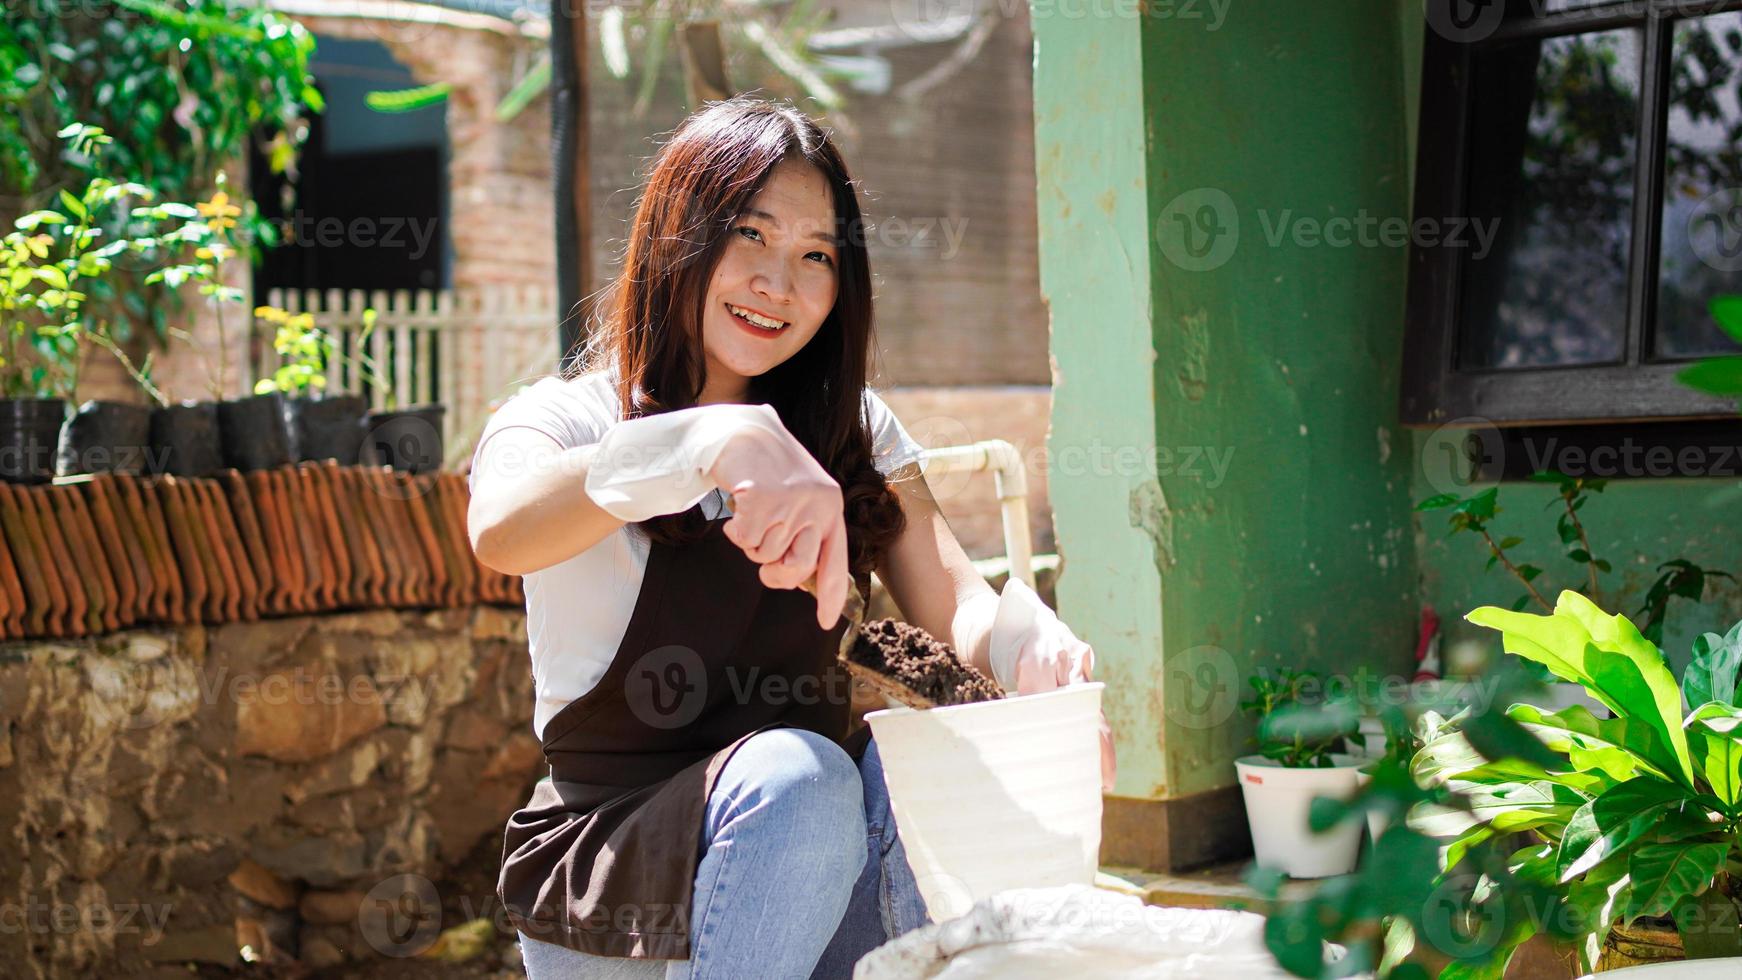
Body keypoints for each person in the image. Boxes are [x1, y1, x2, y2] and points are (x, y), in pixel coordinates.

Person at [466, 96, 1115, 980]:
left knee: (922, 771)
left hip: (799, 881)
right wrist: (702, 441)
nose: (779, 283)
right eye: (750, 236)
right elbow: (500, 527)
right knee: (803, 777)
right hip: (617, 881)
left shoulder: (853, 428)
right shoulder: (569, 418)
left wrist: (1024, 640)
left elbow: (955, 599)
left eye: (816, 256)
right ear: (678, 235)